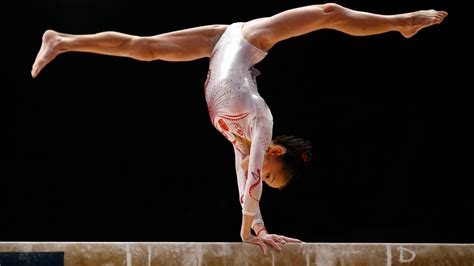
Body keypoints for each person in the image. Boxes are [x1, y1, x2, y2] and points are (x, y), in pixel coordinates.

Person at [31, 3, 447, 255]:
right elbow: (251, 182)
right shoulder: (260, 123)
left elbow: (242, 180)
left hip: (220, 42)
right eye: (269, 173)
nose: (260, 173)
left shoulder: (239, 141)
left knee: (146, 48)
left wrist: (260, 229)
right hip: (250, 39)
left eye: (266, 179)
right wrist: (246, 230)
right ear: (276, 152)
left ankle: (63, 40)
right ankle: (403, 21)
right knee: (329, 13)